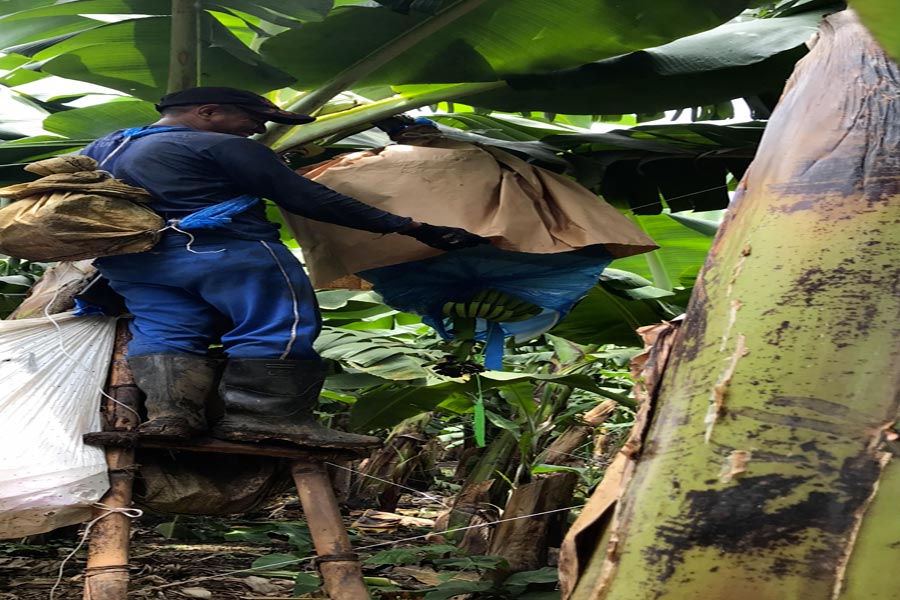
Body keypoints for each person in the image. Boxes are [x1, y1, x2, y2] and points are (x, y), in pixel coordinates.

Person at [81, 86, 488, 449]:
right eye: (253, 118)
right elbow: (310, 199)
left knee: (167, 329)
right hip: (226, 253)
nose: (259, 129)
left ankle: (171, 416)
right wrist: (413, 227)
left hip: (136, 261)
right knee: (278, 324)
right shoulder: (221, 146)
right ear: (208, 112)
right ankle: (265, 419)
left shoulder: (103, 148)